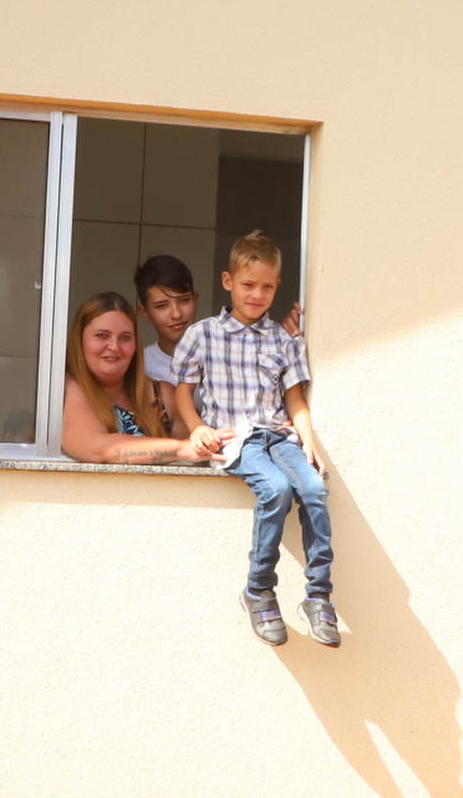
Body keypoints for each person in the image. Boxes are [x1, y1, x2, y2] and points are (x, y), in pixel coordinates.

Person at [171, 231, 335, 648]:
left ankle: (319, 594)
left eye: (266, 286)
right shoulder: (203, 334)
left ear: (277, 286)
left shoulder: (284, 341)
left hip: (278, 436)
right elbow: (182, 393)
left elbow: (294, 397)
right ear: (228, 281)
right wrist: (197, 428)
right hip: (235, 439)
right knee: (277, 490)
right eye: (248, 285)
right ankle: (259, 588)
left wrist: (309, 439)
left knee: (314, 489)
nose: (257, 294)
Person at [62, 292, 204, 466]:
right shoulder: (68, 388)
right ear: (80, 340)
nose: (114, 347)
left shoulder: (161, 396)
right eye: (102, 336)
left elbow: (201, 458)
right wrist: (182, 449)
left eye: (125, 338)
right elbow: (96, 447)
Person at [132, 253, 201, 433]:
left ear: (196, 300)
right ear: (144, 312)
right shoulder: (140, 365)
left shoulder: (222, 355)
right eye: (162, 306)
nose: (176, 314)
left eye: (184, 300)